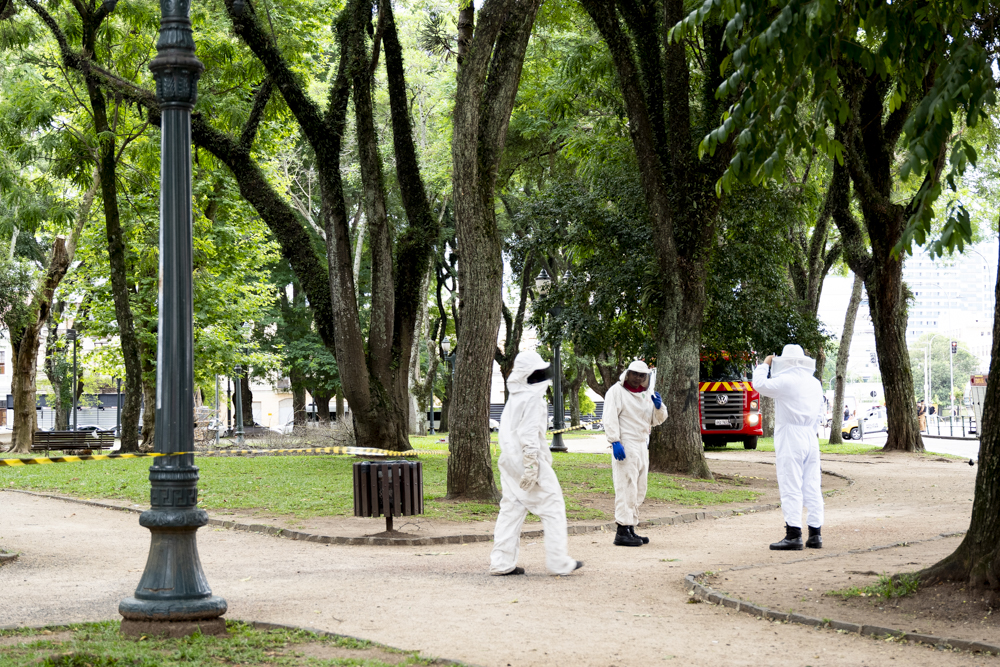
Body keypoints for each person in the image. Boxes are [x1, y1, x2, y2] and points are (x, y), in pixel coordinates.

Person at [490, 350, 583, 576]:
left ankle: (501, 563)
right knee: (553, 507)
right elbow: (528, 433)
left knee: (511, 510)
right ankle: (559, 563)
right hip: (528, 461)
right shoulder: (533, 399)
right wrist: (532, 466)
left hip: (509, 462)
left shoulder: (514, 399)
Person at [752, 345, 824, 550]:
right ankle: (815, 534)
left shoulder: (785, 380)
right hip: (810, 435)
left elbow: (759, 384)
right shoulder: (814, 383)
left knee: (790, 483)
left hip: (791, 436)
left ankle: (793, 534)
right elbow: (820, 412)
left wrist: (765, 364)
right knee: (812, 484)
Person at [603, 360, 668, 547]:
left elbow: (656, 420)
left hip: (641, 444)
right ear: (627, 373)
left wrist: (659, 406)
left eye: (642, 375)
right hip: (626, 444)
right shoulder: (616, 392)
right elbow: (610, 417)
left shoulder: (647, 394)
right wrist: (615, 441)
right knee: (626, 486)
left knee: (639, 487)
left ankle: (630, 526)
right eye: (635, 374)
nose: (638, 378)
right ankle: (621, 530)